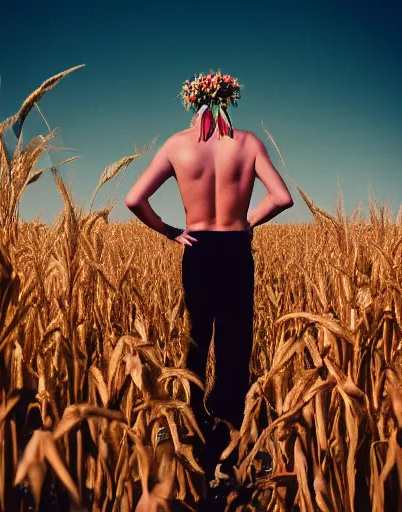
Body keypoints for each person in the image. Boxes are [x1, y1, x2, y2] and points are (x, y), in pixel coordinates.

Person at [124, 71, 294, 507]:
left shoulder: (177, 145)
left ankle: (193, 440)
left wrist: (170, 232)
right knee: (235, 347)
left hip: (197, 248)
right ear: (228, 100)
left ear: (192, 101)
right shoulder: (249, 143)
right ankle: (230, 448)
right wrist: (246, 223)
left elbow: (133, 199)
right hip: (236, 248)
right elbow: (282, 197)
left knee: (196, 345)